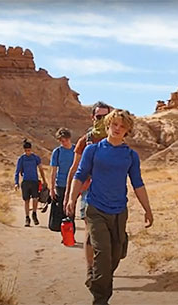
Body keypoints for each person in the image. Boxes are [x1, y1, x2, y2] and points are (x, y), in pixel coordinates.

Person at [66, 109, 154, 305]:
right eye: (114, 124)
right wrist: (72, 198)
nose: (117, 129)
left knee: (115, 256)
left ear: (127, 131)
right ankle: (101, 298)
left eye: (122, 126)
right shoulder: (93, 150)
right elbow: (80, 175)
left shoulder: (130, 155)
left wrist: (147, 209)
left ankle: (97, 278)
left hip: (119, 211)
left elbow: (138, 183)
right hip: (95, 208)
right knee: (103, 252)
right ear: (107, 125)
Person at [63, 101, 111, 278]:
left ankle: (105, 264)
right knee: (91, 232)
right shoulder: (85, 141)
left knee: (111, 235)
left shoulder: (116, 140)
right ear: (93, 118)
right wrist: (69, 197)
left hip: (111, 193)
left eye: (105, 117)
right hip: (88, 193)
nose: (102, 120)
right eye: (99, 117)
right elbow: (74, 168)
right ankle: (91, 270)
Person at [14, 139, 47, 227]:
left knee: (35, 199)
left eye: (29, 150)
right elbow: (17, 171)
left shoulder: (36, 158)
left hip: (34, 181)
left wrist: (44, 180)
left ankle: (34, 214)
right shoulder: (21, 159)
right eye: (26, 151)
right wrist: (16, 182)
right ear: (24, 150)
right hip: (25, 182)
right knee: (26, 200)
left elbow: (40, 169)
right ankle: (27, 217)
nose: (28, 152)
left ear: (31, 149)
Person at [48, 128, 75, 229]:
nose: (64, 143)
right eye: (62, 141)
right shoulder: (57, 152)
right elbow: (53, 171)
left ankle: (71, 234)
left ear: (69, 138)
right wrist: (52, 189)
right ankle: (65, 234)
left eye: (66, 140)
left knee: (71, 209)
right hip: (60, 184)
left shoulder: (76, 150)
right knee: (61, 210)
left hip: (73, 184)